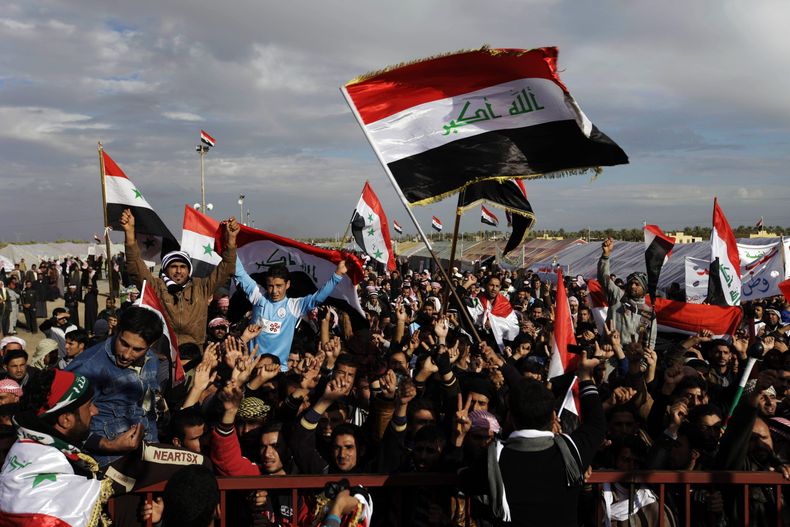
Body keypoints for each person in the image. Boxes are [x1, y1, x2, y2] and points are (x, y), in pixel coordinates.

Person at [0, 369, 111, 526]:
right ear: (66, 420)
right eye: (88, 406)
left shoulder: (23, 448)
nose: (95, 411)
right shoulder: (60, 471)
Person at [119, 207, 239, 348]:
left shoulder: (202, 286)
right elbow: (135, 268)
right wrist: (129, 234)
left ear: (189, 270)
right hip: (165, 353)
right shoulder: (156, 287)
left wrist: (231, 241)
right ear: (166, 269)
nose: (178, 271)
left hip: (195, 353)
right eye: (173, 266)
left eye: (182, 267)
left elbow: (226, 269)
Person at [65, 305, 163, 466]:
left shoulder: (152, 361)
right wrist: (108, 444)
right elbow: (65, 425)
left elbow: (148, 411)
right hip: (106, 464)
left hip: (147, 455)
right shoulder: (88, 367)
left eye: (137, 349)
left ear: (150, 345)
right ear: (116, 330)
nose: (126, 354)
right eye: (124, 344)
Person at [234, 259, 348, 367]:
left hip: (278, 370)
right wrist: (230, 244)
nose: (274, 291)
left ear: (287, 284)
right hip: (252, 366)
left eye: (279, 286)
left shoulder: (293, 306)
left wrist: (337, 275)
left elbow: (318, 297)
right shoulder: (258, 296)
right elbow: (240, 273)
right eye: (270, 286)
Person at [598, 237, 657, 349]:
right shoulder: (618, 297)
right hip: (610, 353)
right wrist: (605, 256)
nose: (632, 286)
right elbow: (604, 279)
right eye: (630, 283)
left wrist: (644, 364)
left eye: (636, 284)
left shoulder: (648, 313)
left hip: (632, 359)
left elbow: (650, 342)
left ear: (644, 289)